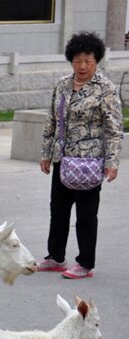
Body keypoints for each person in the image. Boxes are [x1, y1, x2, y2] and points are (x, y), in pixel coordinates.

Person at [38, 31, 122, 279]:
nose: (82, 66)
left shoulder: (105, 88)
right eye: (77, 60)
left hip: (89, 162)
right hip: (62, 160)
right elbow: (51, 121)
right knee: (58, 211)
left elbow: (114, 128)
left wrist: (112, 162)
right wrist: (45, 154)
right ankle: (55, 257)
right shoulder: (63, 84)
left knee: (86, 215)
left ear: (97, 61)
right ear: (70, 60)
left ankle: (85, 263)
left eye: (88, 61)